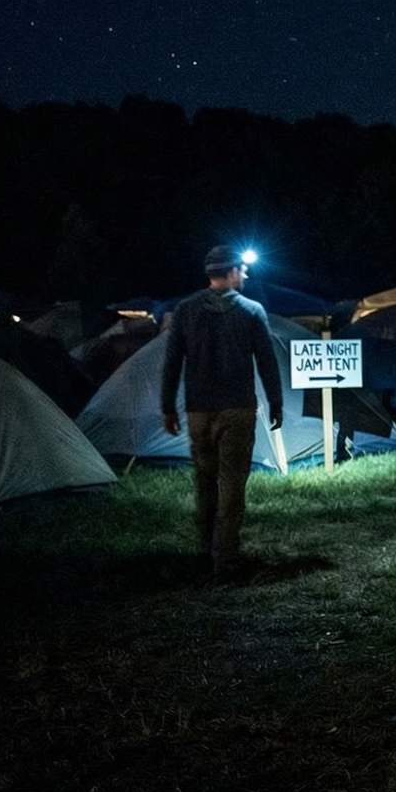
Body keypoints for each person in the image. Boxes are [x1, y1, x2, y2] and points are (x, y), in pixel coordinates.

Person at [161, 245, 284, 572]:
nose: (245, 275)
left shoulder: (186, 310)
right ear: (230, 272)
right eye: (241, 270)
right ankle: (225, 557)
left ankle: (205, 549)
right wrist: (276, 401)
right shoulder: (252, 310)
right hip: (237, 410)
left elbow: (172, 361)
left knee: (205, 478)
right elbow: (267, 361)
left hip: (198, 411)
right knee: (232, 481)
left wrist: (167, 407)